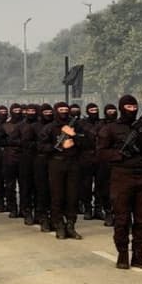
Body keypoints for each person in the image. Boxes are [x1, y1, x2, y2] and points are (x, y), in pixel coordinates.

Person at [98, 95, 142, 270]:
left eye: (134, 107)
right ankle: (122, 254)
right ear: (122, 108)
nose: (132, 110)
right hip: (122, 176)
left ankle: (138, 254)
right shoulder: (110, 128)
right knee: (122, 218)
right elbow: (101, 152)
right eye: (128, 107)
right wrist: (119, 154)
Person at [38, 102, 85, 240]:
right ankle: (59, 224)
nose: (64, 111)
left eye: (66, 109)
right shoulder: (49, 128)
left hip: (73, 163)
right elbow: (41, 146)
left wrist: (74, 136)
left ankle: (71, 225)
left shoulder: (76, 126)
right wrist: (58, 146)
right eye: (61, 109)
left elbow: (87, 142)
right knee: (57, 196)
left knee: (72, 196)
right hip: (56, 163)